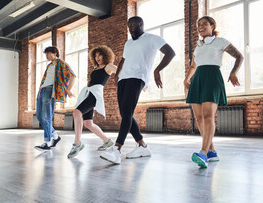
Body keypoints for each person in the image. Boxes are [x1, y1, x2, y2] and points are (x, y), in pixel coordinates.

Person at [100, 16, 176, 164]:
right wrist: (117, 74)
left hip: (138, 77)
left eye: (133, 25)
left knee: (127, 112)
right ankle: (142, 146)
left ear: (141, 24)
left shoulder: (152, 38)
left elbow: (170, 53)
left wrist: (157, 70)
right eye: (128, 25)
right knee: (125, 113)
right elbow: (123, 59)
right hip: (123, 79)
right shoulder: (128, 43)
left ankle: (116, 150)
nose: (130, 28)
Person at [184, 16, 243, 168]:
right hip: (197, 80)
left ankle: (203, 152)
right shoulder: (198, 46)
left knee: (208, 115)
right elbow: (193, 66)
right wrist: (186, 80)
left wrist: (233, 72)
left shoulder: (220, 42)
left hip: (212, 78)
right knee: (198, 118)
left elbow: (239, 56)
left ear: (212, 26)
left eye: (204, 24)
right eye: (198, 25)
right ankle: (212, 152)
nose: (200, 26)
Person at [67, 46, 117, 158]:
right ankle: (107, 141)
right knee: (88, 123)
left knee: (76, 113)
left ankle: (77, 144)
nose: (97, 57)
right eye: (95, 55)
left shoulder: (108, 66)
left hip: (95, 94)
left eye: (100, 55)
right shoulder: (95, 68)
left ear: (105, 55)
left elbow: (120, 71)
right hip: (88, 93)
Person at [35, 46, 76, 151]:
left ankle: (47, 143)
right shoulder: (49, 66)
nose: (46, 56)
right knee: (39, 117)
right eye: (46, 54)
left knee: (47, 117)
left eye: (48, 53)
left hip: (49, 91)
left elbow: (72, 75)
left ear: (55, 53)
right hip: (42, 91)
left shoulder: (61, 63)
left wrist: (68, 90)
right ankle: (56, 137)